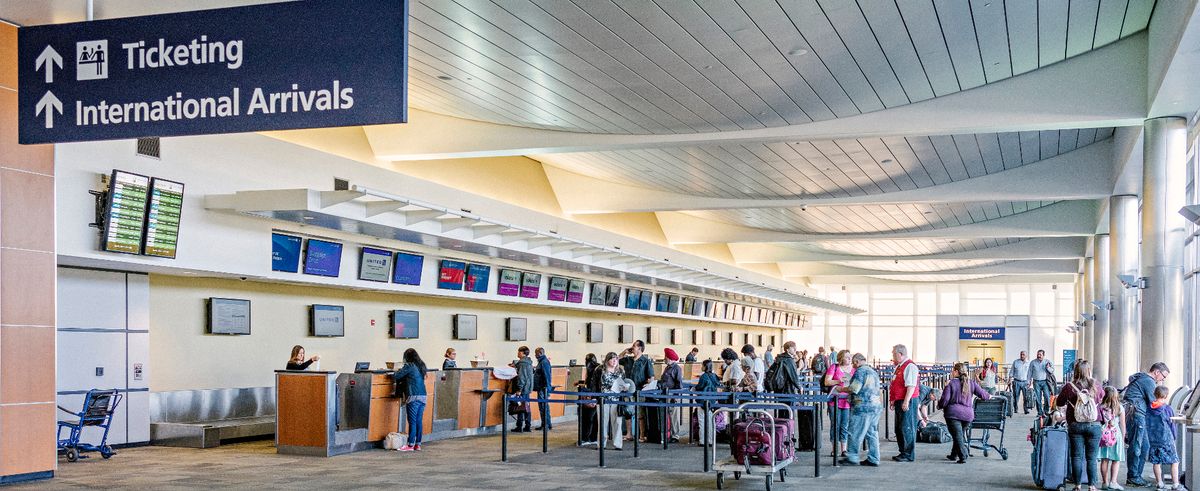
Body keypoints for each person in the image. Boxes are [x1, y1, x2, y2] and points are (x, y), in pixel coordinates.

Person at [1055, 359, 1105, 491]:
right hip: (1094, 425)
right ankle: (1092, 486)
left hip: (1075, 424)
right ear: (1089, 370)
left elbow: (1059, 403)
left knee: (1076, 456)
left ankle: (1077, 485)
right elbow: (1103, 399)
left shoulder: (1069, 387)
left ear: (1075, 371)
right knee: (1092, 458)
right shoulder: (1096, 385)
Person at [1123, 362, 1170, 488]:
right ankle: (1133, 477)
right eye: (1163, 377)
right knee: (1137, 446)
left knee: (1144, 446)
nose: (1162, 380)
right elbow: (1154, 402)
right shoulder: (1148, 381)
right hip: (1137, 415)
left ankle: (1135, 476)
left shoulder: (1142, 378)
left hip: (1135, 414)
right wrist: (1167, 409)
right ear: (1157, 372)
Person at [938, 362, 991, 464]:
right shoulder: (971, 382)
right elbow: (983, 394)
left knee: (958, 436)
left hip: (953, 414)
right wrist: (989, 396)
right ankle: (953, 455)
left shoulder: (951, 383)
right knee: (959, 434)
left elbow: (945, 400)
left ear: (956, 372)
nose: (952, 372)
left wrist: (939, 406)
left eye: (953, 371)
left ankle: (963, 455)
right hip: (968, 415)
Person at [838, 353, 880, 467]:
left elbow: (854, 388)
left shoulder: (860, 371)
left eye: (853, 363)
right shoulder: (872, 371)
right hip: (875, 406)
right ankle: (874, 458)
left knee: (855, 432)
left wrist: (841, 389)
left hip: (862, 406)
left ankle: (852, 457)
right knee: (872, 433)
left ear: (857, 361)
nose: (853, 365)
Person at [889, 344, 920, 462]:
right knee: (899, 427)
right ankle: (903, 451)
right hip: (900, 399)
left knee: (907, 427)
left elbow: (911, 386)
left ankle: (908, 454)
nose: (892, 356)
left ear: (900, 354)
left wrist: (906, 401)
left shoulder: (910, 366)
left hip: (907, 399)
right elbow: (896, 384)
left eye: (894, 354)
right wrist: (893, 399)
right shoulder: (899, 366)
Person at [393, 348, 428, 451]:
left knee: (412, 421)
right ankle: (417, 444)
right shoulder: (421, 365)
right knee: (418, 421)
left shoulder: (409, 366)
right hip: (423, 395)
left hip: (413, 395)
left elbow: (396, 376)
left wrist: (397, 371)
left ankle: (410, 445)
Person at [1147, 385, 1181, 490]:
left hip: (1153, 439)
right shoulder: (1167, 409)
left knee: (1156, 462)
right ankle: (1175, 484)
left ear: (1154, 394)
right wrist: (1174, 436)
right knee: (1174, 461)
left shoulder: (1149, 407)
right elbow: (1171, 424)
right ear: (1166, 396)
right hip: (1166, 439)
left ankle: (1159, 483)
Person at [1097, 385, 1126, 491]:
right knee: (1116, 460)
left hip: (1103, 435)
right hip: (1115, 435)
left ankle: (1104, 483)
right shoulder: (1119, 408)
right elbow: (1122, 424)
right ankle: (1113, 482)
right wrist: (1123, 436)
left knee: (1104, 460)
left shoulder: (1100, 407)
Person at [825, 349, 853, 456]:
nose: (849, 358)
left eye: (850, 356)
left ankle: (844, 449)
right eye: (846, 357)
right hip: (835, 399)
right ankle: (834, 449)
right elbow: (827, 382)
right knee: (835, 424)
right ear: (841, 358)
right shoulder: (834, 367)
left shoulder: (853, 369)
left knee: (845, 425)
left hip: (847, 400)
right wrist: (839, 381)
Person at [597, 352, 626, 451]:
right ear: (607, 360)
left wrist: (624, 388)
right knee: (602, 422)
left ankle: (618, 444)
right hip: (603, 399)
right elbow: (594, 383)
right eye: (612, 359)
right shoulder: (600, 370)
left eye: (616, 359)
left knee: (617, 422)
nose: (614, 361)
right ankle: (602, 443)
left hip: (616, 400)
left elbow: (623, 383)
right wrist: (593, 397)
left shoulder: (620, 371)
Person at [659, 348, 683, 443]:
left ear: (669, 358)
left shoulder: (677, 368)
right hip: (665, 394)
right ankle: (668, 434)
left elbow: (679, 384)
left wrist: (675, 397)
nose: (664, 358)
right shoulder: (667, 368)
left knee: (674, 416)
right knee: (667, 415)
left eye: (665, 357)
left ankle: (675, 435)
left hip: (672, 395)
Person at [576, 353, 600, 447]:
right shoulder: (599, 368)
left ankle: (585, 438)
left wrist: (592, 397)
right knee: (594, 419)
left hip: (591, 396)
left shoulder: (592, 369)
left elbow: (591, 383)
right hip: (596, 396)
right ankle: (593, 438)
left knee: (587, 418)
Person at [510, 346, 534, 433]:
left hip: (523, 388)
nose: (517, 353)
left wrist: (519, 389)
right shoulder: (528, 362)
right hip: (528, 387)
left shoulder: (522, 363)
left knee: (520, 407)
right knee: (526, 407)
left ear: (522, 352)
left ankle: (519, 426)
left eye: (518, 351)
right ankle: (528, 426)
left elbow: (522, 377)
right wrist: (515, 366)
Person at [1030, 349, 1055, 418]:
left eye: (1040, 354)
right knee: (1038, 398)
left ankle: (1046, 411)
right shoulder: (1033, 362)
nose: (1038, 356)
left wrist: (1048, 367)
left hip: (1045, 382)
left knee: (1047, 396)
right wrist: (1029, 380)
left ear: (1043, 355)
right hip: (1036, 382)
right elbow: (1030, 372)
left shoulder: (1047, 362)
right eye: (1038, 354)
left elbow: (1052, 371)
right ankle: (1040, 412)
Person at [533, 347, 553, 431]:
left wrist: (547, 389)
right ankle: (546, 424)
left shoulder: (544, 362)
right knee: (543, 407)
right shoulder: (542, 362)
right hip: (541, 388)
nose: (535, 355)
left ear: (540, 353)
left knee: (543, 407)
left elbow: (547, 376)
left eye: (536, 353)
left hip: (542, 388)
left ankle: (546, 425)